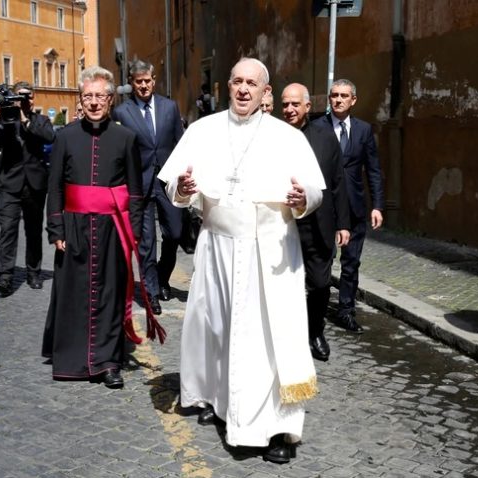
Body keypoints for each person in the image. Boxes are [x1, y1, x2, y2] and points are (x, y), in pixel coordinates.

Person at [157, 58, 325, 464]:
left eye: (253, 83)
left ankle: (277, 429)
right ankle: (219, 402)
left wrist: (303, 201)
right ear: (227, 86)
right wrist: (182, 189)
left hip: (269, 250)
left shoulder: (287, 137)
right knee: (217, 329)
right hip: (217, 245)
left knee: (269, 340)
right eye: (237, 82)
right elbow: (178, 191)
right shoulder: (203, 130)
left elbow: (315, 190)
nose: (244, 89)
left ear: (266, 91)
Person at [42, 66, 157, 388]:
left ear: (110, 100)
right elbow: (54, 188)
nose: (94, 102)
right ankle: (74, 357)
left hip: (112, 229)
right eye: (88, 96)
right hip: (75, 227)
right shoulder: (64, 136)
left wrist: (132, 231)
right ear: (80, 100)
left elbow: (135, 191)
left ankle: (108, 362)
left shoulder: (126, 138)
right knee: (74, 293)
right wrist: (56, 230)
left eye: (100, 96)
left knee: (109, 294)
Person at [281, 83, 350, 362]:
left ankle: (315, 332)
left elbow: (337, 183)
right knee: (284, 285)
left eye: (295, 104)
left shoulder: (324, 137)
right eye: (285, 104)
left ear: (307, 107)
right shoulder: (272, 137)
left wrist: (343, 224)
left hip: (318, 224)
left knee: (321, 284)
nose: (289, 109)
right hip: (282, 224)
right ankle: (286, 336)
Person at [112, 60, 184, 315]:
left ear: (154, 80)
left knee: (175, 234)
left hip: (167, 182)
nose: (143, 85)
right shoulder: (122, 113)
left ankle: (163, 278)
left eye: (147, 80)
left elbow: (180, 143)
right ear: (131, 83)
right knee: (146, 244)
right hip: (138, 184)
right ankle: (151, 292)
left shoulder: (169, 107)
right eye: (138, 81)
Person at [318, 79, 385, 333]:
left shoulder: (364, 130)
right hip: (326, 207)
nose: (338, 100)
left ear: (353, 100)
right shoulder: (318, 128)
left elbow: (374, 171)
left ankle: (346, 310)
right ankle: (318, 309)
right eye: (334, 95)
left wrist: (377, 205)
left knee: (351, 263)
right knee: (323, 262)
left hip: (355, 206)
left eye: (344, 96)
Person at [0, 81, 54, 295]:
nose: (26, 101)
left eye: (29, 97)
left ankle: (34, 272)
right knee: (8, 229)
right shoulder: (6, 120)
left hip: (35, 185)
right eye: (21, 97)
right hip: (9, 185)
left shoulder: (41, 121)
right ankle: (5, 277)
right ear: (14, 99)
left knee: (33, 231)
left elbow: (49, 137)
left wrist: (25, 120)